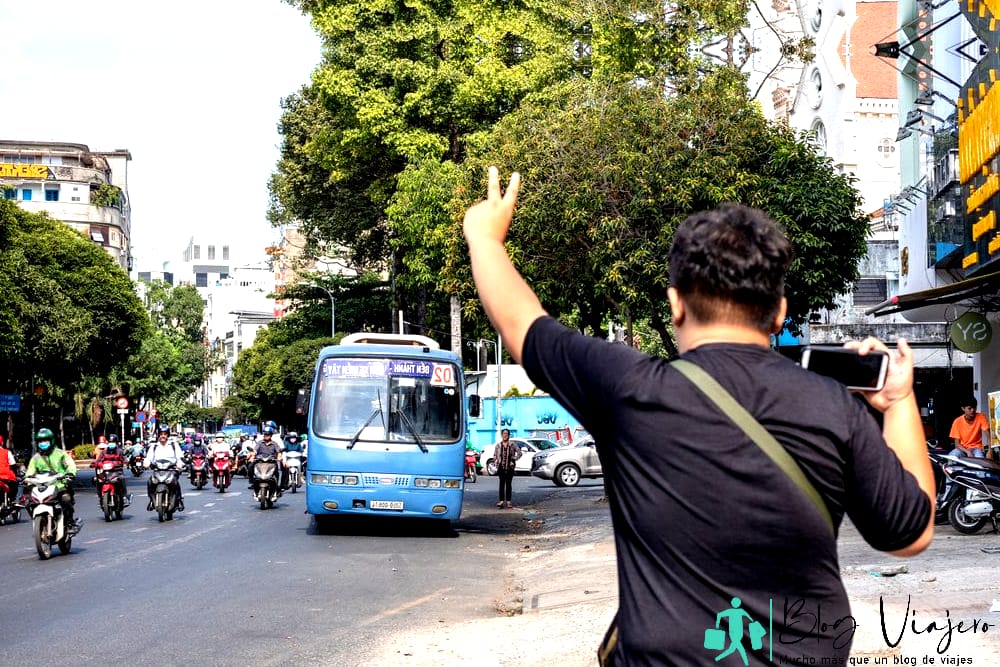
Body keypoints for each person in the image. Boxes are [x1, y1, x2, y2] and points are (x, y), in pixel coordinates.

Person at [462, 167, 935, 664]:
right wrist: (898, 403)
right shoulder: (834, 408)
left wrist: (485, 238)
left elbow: (522, 323)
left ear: (675, 305)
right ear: (779, 312)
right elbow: (911, 533)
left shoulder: (631, 390)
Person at [24, 428, 81, 532]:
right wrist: (27, 478)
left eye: (45, 440)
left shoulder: (60, 454)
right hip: (41, 487)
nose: (42, 443)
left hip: (59, 485)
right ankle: (40, 523)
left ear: (51, 441)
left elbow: (70, 464)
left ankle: (70, 523)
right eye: (40, 441)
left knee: (66, 499)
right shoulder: (36, 458)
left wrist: (70, 474)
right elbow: (30, 471)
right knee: (27, 502)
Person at [144, 424, 185, 511]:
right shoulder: (154, 446)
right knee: (150, 482)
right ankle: (152, 500)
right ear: (158, 435)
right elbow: (148, 458)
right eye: (161, 434)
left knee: (176, 483)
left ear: (168, 435)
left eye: (165, 434)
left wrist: (180, 464)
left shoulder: (174, 445)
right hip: (157, 470)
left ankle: (179, 500)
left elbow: (180, 457)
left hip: (171, 469)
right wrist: (146, 463)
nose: (163, 436)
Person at [93, 437, 128, 504]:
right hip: (105, 472)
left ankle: (124, 496)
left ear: (116, 443)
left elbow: (124, 459)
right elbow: (98, 460)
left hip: (117, 471)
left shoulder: (119, 451)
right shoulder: (103, 452)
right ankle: (100, 496)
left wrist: (125, 462)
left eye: (113, 442)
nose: (111, 443)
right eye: (110, 442)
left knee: (122, 478)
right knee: (97, 480)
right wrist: (96, 464)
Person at [249, 426, 283, 491]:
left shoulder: (274, 444)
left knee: (278, 471)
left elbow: (278, 452)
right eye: (265, 434)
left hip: (271, 462)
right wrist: (252, 456)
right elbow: (255, 450)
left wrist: (279, 457)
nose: (266, 436)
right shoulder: (260, 442)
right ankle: (252, 482)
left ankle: (277, 486)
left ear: (271, 435)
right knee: (250, 466)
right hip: (260, 461)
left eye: (268, 434)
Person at [493, 429, 520, 508]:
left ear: (509, 435)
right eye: (504, 433)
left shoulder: (512, 444)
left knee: (508, 484)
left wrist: (514, 459)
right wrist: (496, 460)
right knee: (501, 484)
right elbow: (494, 455)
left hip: (510, 467)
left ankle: (508, 502)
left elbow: (519, 453)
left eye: (506, 433)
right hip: (501, 467)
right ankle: (501, 501)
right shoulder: (498, 445)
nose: (505, 435)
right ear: (502, 435)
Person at [0, 435, 20, 509]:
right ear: (2, 443)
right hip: (5, 476)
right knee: (17, 483)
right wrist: (15, 474)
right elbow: (13, 464)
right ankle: (13, 500)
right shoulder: (7, 452)